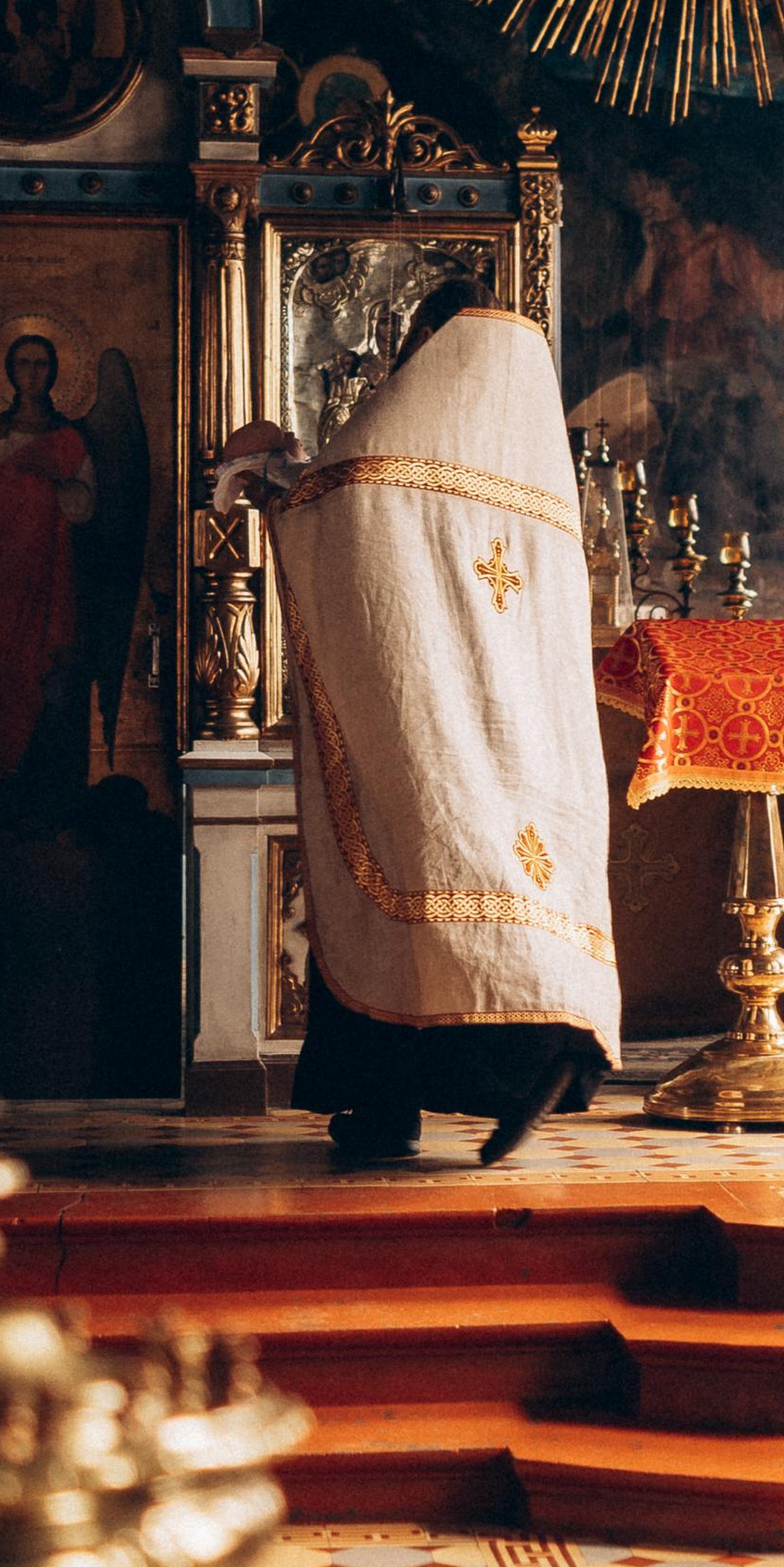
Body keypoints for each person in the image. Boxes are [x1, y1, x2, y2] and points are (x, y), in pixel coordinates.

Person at [277, 279, 622, 1167]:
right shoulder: (536, 480)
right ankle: (552, 1050)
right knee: (521, 892)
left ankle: (385, 1105)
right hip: (525, 737)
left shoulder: (394, 450)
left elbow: (332, 499)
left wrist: (273, 467)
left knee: (396, 884)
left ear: (430, 338)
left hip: (427, 720)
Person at [0, 332, 97, 804]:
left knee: (52, 677)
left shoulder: (68, 440)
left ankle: (51, 793)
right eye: (23, 364)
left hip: (52, 578)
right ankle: (5, 787)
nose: (32, 373)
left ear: (55, 371)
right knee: (4, 680)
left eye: (41, 364)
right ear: (9, 371)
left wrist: (53, 482)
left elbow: (84, 508)